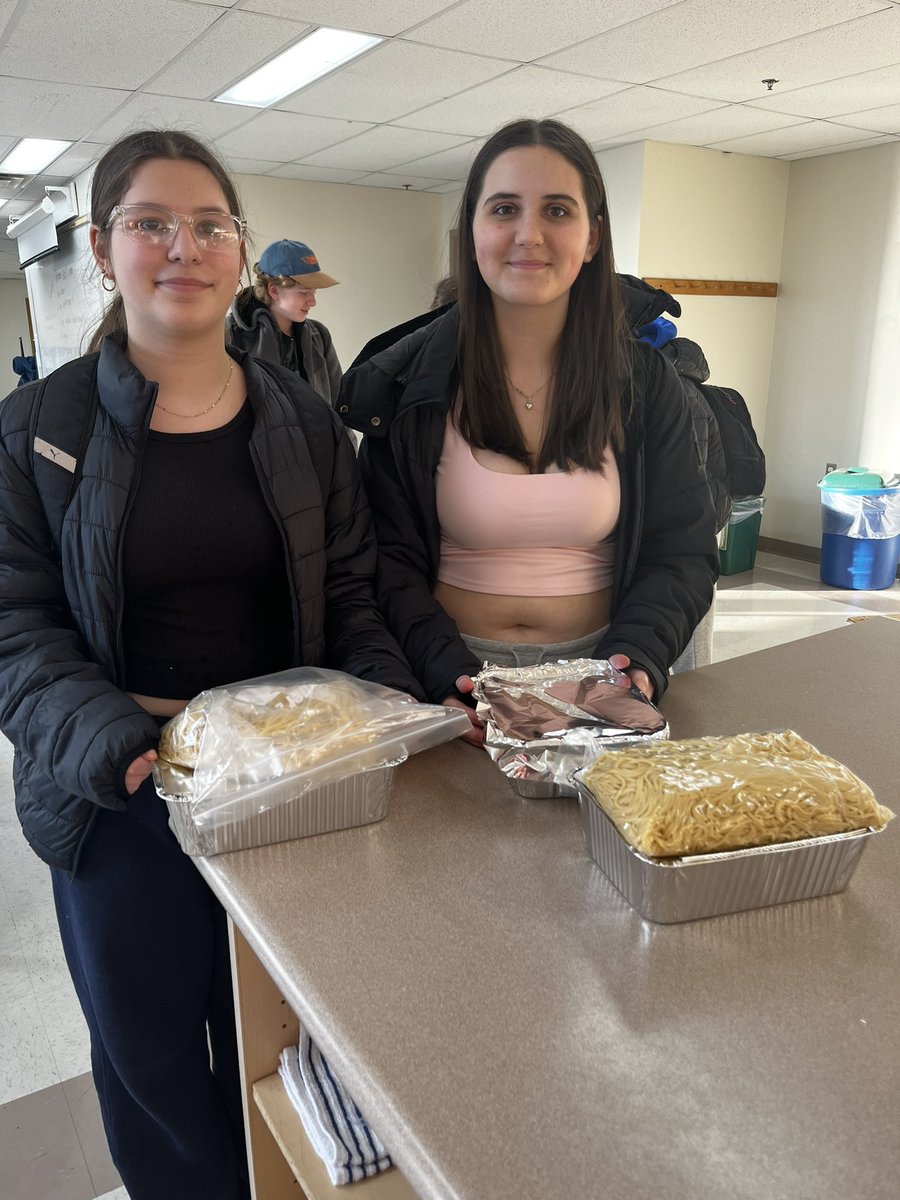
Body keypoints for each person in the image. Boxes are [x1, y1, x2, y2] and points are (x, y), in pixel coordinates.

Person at [0, 129, 422, 1200]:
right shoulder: (38, 431)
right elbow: (14, 625)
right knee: (147, 1058)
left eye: (208, 224)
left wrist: (376, 713)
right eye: (150, 224)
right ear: (102, 248)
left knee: (278, 1036)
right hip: (122, 795)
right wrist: (119, 744)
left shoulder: (306, 426)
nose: (180, 247)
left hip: (288, 789)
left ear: (239, 252)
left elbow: (351, 596)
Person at [339, 118, 719, 743]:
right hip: (451, 679)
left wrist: (636, 660)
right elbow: (388, 561)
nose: (529, 234)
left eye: (558, 210)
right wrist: (445, 671)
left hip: (603, 673)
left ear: (593, 236)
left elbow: (681, 551)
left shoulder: (645, 382)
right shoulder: (407, 387)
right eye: (505, 209)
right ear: (472, 234)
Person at [227, 238, 342, 403]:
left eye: (314, 292)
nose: (313, 302)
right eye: (303, 293)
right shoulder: (231, 335)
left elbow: (338, 403)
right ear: (274, 290)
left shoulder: (319, 336)